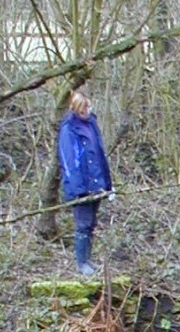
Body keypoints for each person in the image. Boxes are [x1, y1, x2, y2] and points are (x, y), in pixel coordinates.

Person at [58, 90, 114, 278]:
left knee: (91, 224)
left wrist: (107, 185)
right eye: (83, 108)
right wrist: (79, 190)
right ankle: (82, 263)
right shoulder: (69, 130)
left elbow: (99, 155)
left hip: (96, 182)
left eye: (88, 107)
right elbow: (69, 162)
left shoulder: (92, 124)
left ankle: (88, 260)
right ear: (75, 109)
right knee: (83, 224)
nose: (87, 111)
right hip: (81, 187)